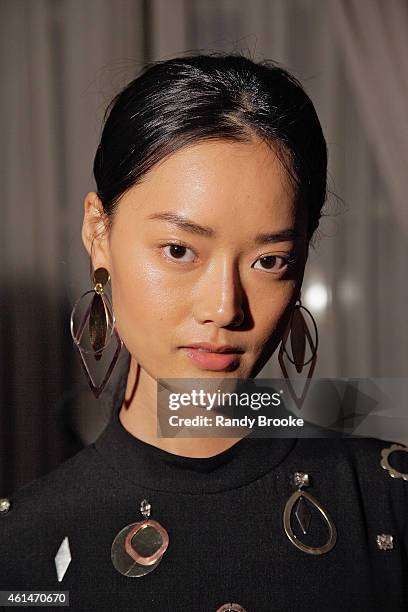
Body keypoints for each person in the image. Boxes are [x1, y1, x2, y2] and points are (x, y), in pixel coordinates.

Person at [0, 53, 407, 612]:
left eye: (269, 261)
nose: (224, 309)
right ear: (99, 233)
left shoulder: (389, 501)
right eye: (179, 250)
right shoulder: (22, 552)